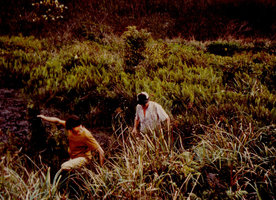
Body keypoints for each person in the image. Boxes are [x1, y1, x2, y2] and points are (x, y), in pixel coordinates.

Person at [37, 114, 104, 171]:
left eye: (80, 125)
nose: (80, 127)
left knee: (64, 166)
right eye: (77, 126)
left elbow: (101, 151)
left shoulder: (86, 135)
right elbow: (57, 120)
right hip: (73, 157)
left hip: (84, 158)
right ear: (71, 128)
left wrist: (101, 169)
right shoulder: (69, 127)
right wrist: (44, 117)